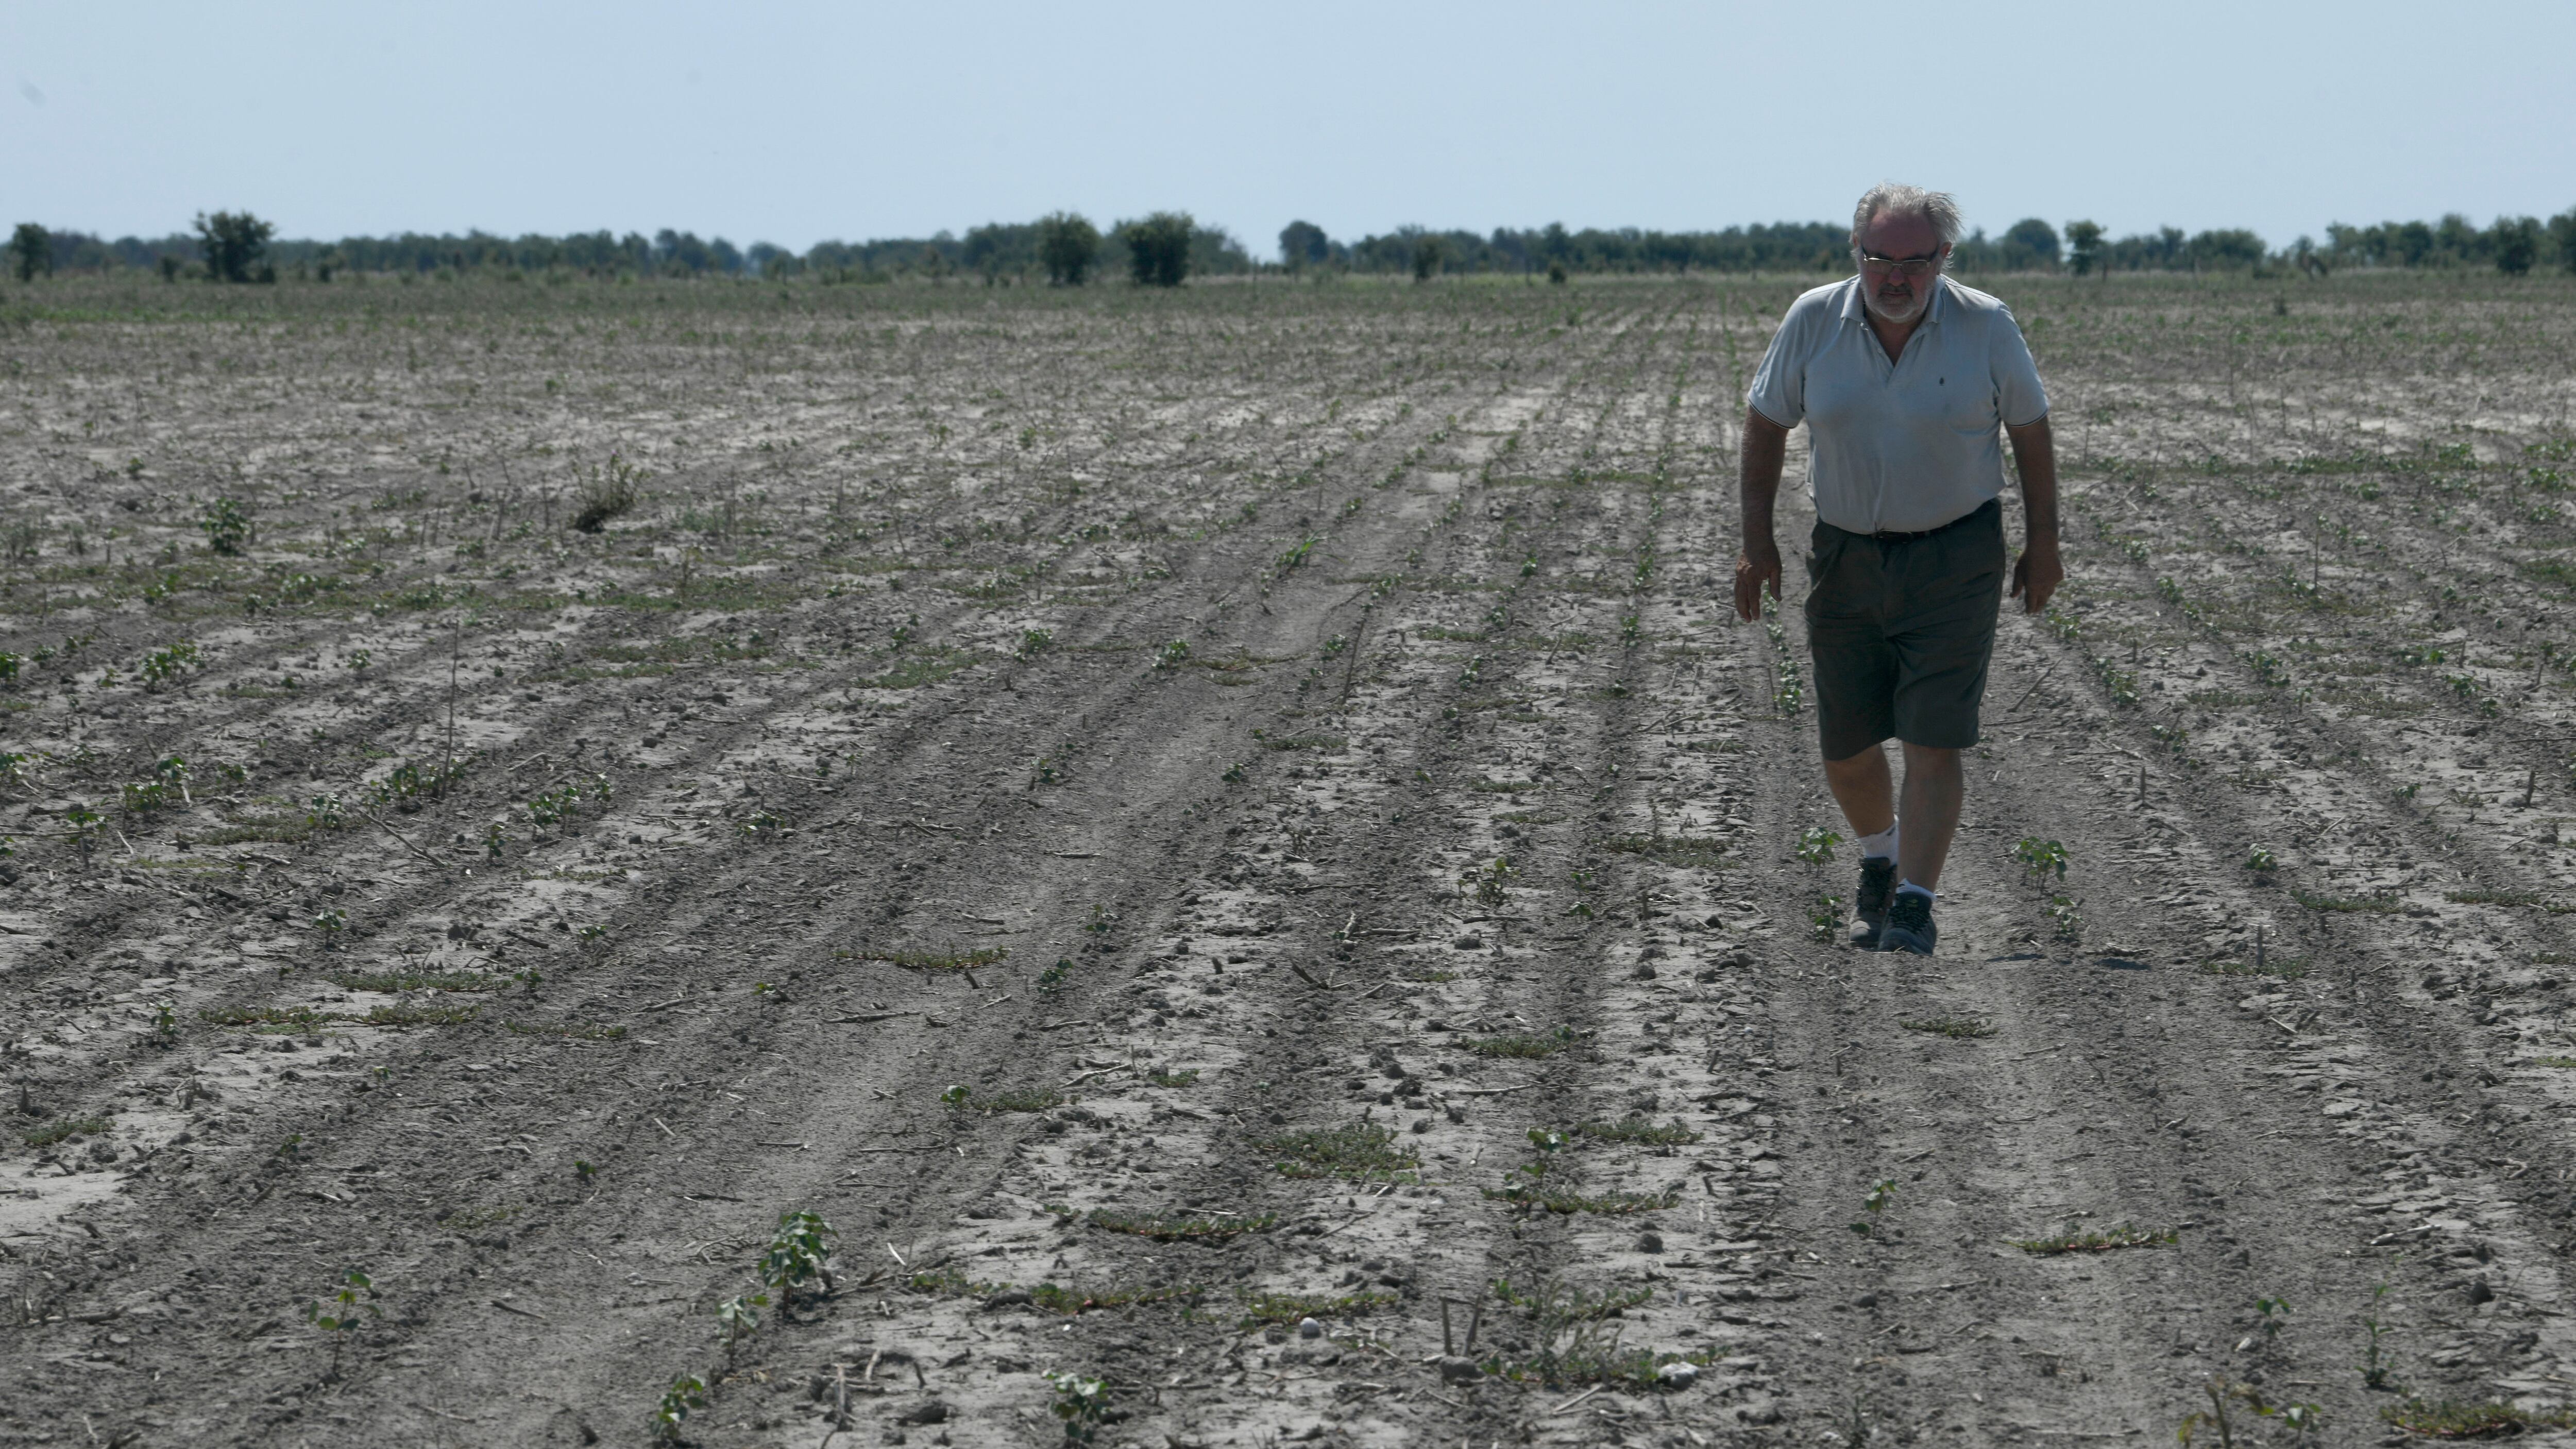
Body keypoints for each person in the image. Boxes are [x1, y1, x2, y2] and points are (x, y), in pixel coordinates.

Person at [1732, 182, 2064, 956]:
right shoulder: (1814, 319)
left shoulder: (1985, 325)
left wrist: (2043, 542)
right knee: (1845, 748)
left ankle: (1914, 905)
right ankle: (1879, 860)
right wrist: (1758, 540)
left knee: (1931, 736)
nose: (1896, 277)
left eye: (1916, 262)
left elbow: (2031, 429)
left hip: (1956, 555)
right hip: (1845, 555)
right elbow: (1765, 421)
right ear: (1859, 254)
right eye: (1881, 258)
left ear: (1944, 259)